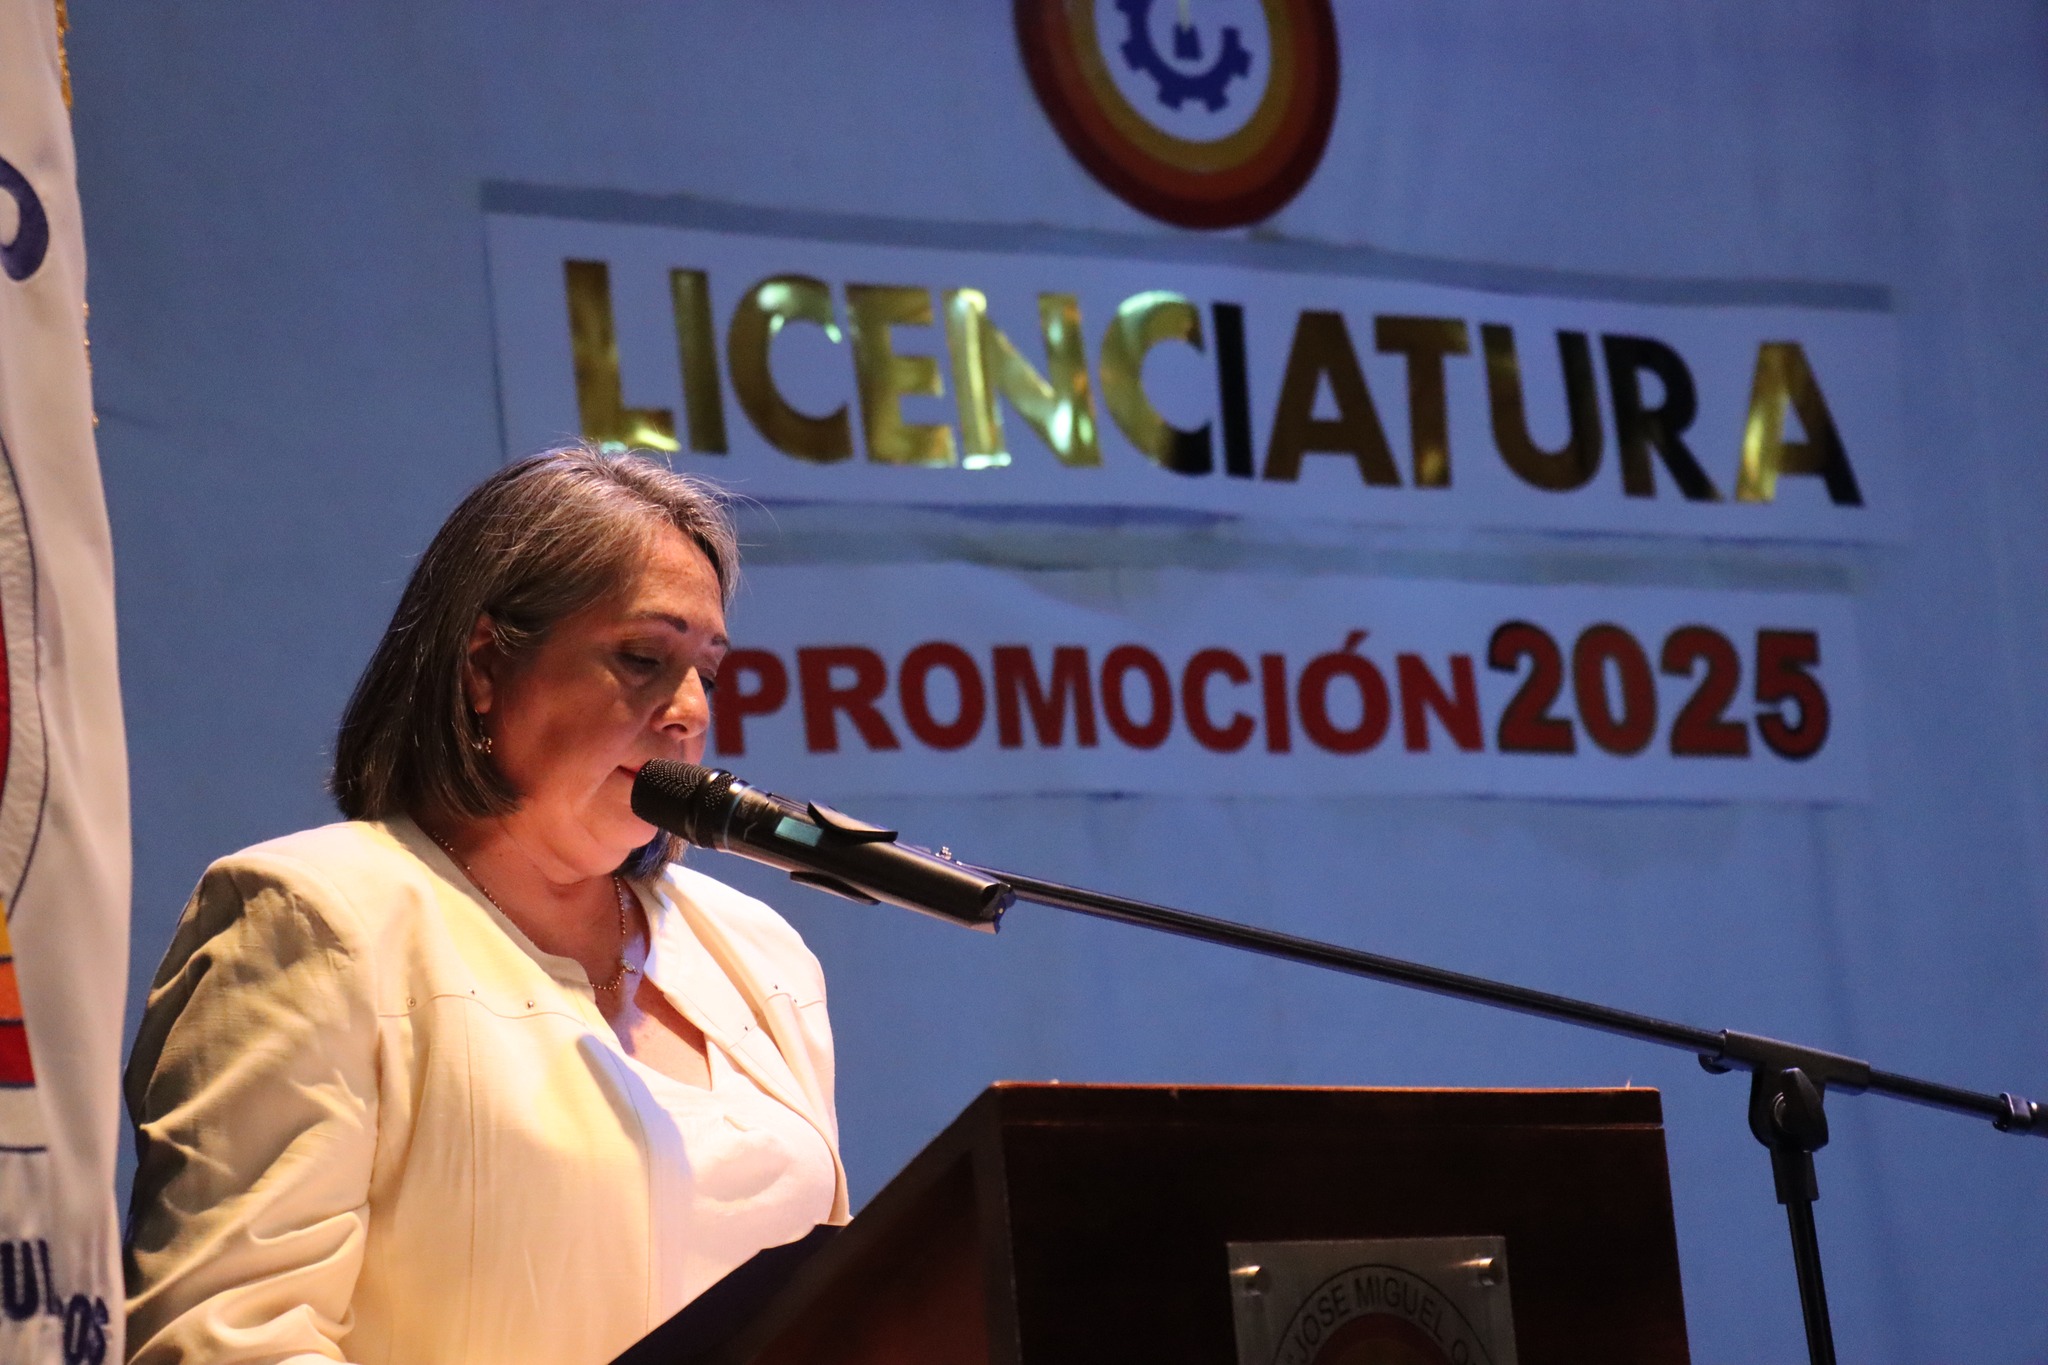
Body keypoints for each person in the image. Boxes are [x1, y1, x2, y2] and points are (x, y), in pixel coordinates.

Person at [123, 446, 846, 1365]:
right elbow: (227, 1341)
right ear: (482, 667)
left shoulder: (756, 950)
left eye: (707, 667)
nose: (689, 713)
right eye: (642, 658)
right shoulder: (318, 919)